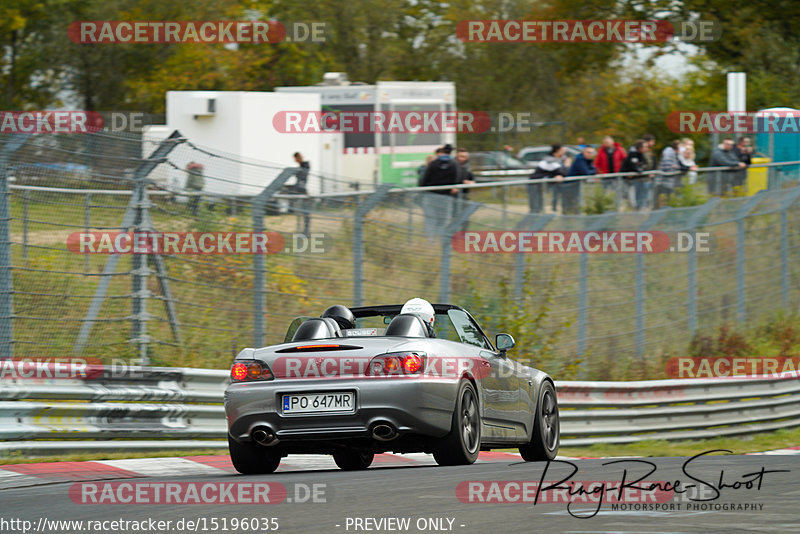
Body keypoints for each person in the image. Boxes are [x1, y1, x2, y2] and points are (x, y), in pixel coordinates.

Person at [420, 144, 459, 235]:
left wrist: (423, 189)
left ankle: (430, 240)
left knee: (430, 219)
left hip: (431, 195)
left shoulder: (434, 163)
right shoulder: (454, 163)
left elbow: (425, 179)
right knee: (443, 219)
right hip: (446, 196)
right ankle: (441, 239)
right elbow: (457, 178)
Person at [529, 144, 569, 213]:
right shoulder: (550, 160)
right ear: (557, 151)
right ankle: (531, 221)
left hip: (541, 186)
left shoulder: (558, 160)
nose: (564, 152)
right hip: (535, 185)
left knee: (539, 206)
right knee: (536, 207)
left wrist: (556, 176)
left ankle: (537, 218)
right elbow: (564, 173)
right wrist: (567, 165)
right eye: (562, 150)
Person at [564, 146, 596, 214]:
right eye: (588, 152)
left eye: (591, 153)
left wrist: (592, 171)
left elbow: (594, 169)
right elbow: (586, 172)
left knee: (577, 202)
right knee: (570, 204)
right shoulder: (579, 160)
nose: (590, 154)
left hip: (577, 185)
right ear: (583, 152)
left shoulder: (588, 160)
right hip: (570, 185)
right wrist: (592, 171)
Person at [656, 140, 682, 207]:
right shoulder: (669, 153)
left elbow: (677, 165)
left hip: (670, 182)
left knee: (669, 199)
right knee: (664, 201)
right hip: (664, 182)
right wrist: (675, 167)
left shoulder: (675, 154)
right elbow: (668, 167)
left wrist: (676, 166)